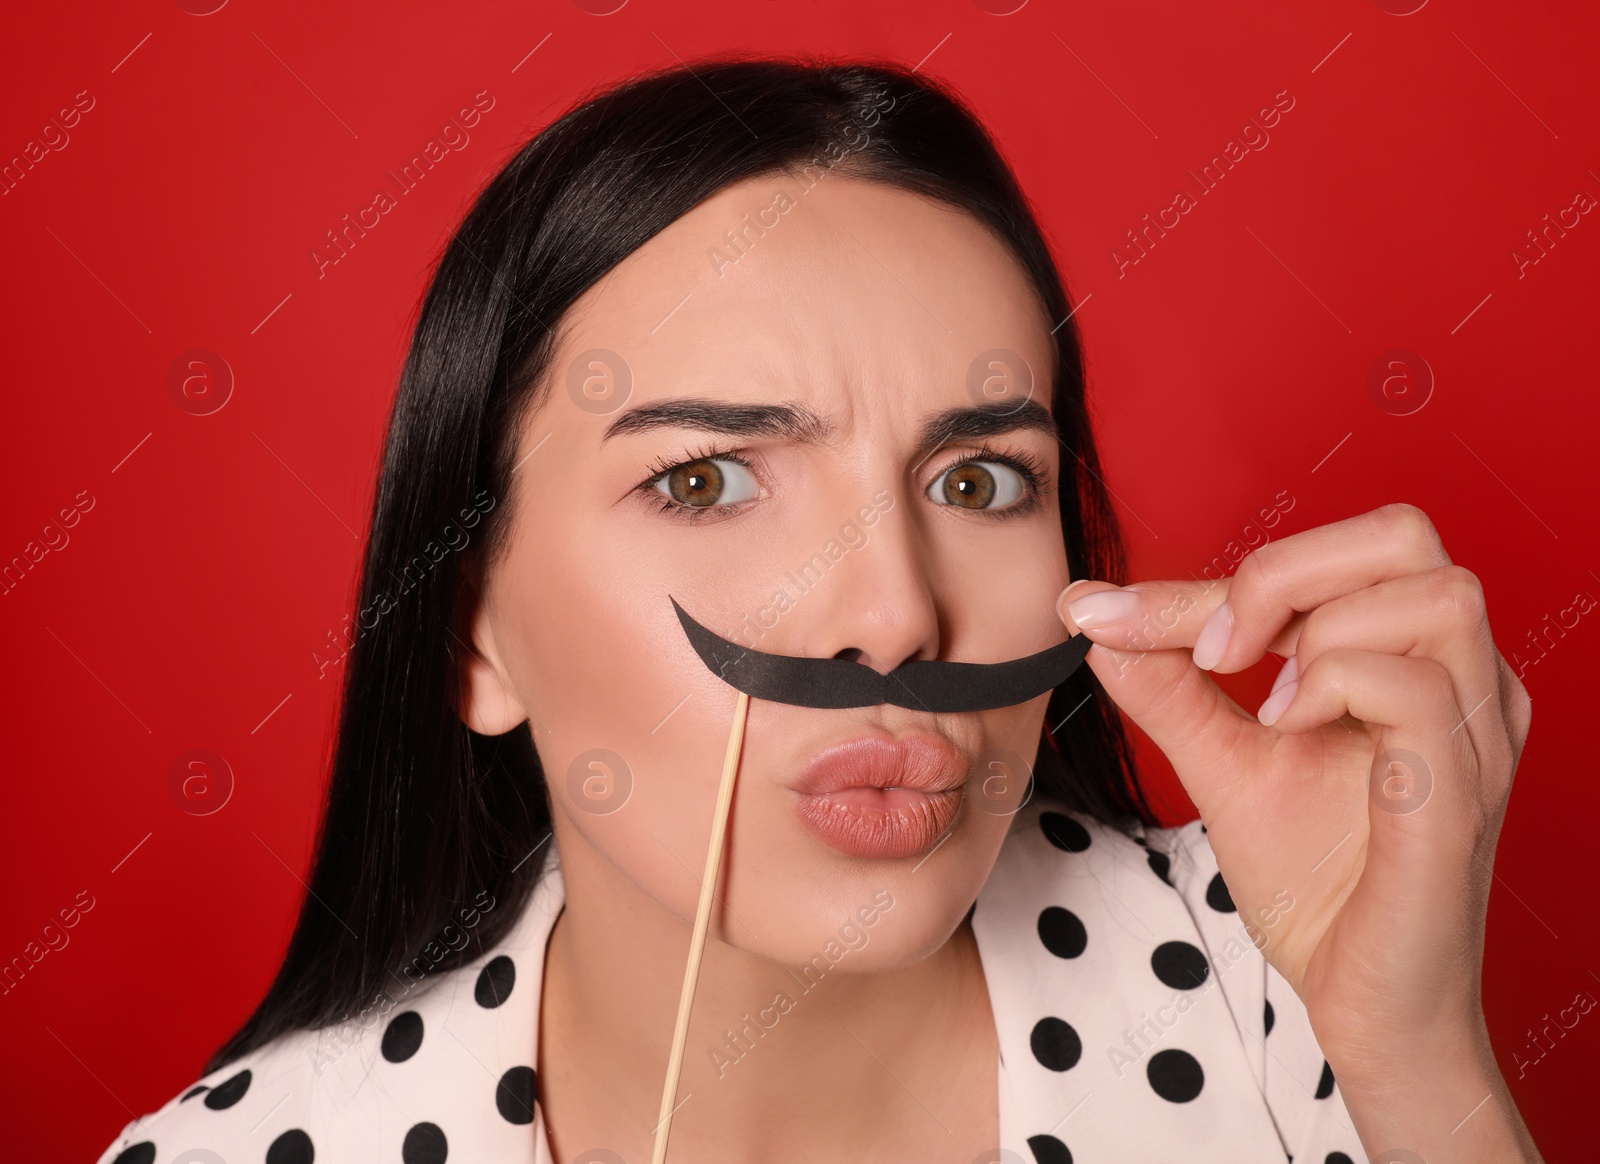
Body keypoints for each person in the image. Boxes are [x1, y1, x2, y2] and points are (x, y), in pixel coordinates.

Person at [96, 55, 1542, 1164]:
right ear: (473, 628)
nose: (894, 616)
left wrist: (1418, 1058)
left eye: (978, 482)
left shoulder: (1291, 999)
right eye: (711, 478)